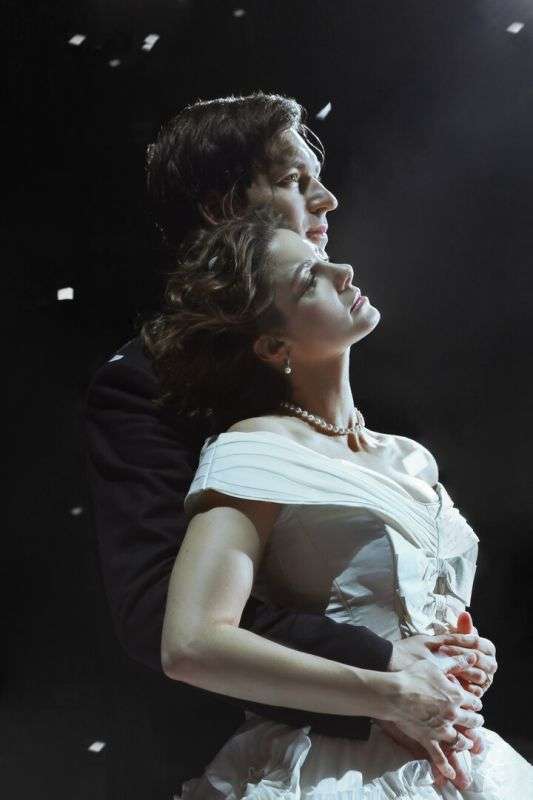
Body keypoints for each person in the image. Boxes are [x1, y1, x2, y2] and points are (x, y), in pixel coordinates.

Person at [85, 93, 497, 791]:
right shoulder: (155, 388)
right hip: (293, 749)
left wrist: (454, 652)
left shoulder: (340, 358)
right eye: (293, 181)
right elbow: (166, 617)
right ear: (223, 207)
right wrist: (382, 671)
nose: (327, 201)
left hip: (435, 738)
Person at [143, 205, 533, 798]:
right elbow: (192, 644)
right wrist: (390, 693)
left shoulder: (411, 457)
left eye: (325, 260)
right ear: (273, 345)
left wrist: (466, 655)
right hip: (337, 764)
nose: (343, 271)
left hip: (456, 752)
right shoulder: (256, 449)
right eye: (310, 279)